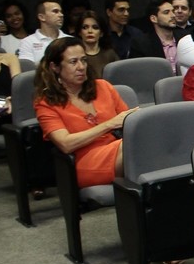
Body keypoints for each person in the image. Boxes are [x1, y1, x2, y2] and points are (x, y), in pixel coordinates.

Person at [33, 37, 135, 187]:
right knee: (134, 147)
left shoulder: (103, 87)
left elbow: (129, 122)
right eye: (73, 62)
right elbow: (65, 144)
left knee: (142, 141)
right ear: (55, 67)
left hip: (117, 148)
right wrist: (108, 125)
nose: (81, 67)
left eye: (84, 60)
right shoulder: (46, 102)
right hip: (85, 162)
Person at [129, 0, 181, 74]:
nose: (173, 15)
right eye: (166, 12)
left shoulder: (185, 38)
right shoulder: (141, 44)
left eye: (173, 11)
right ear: (154, 19)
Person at [18, 0, 70, 65]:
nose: (61, 15)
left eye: (61, 12)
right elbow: (28, 69)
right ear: (41, 17)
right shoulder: (27, 42)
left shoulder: (71, 40)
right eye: (55, 11)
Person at [76, 10, 119, 80]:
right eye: (85, 27)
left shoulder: (110, 54)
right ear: (79, 32)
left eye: (95, 27)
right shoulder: (75, 55)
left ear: (101, 33)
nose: (90, 31)